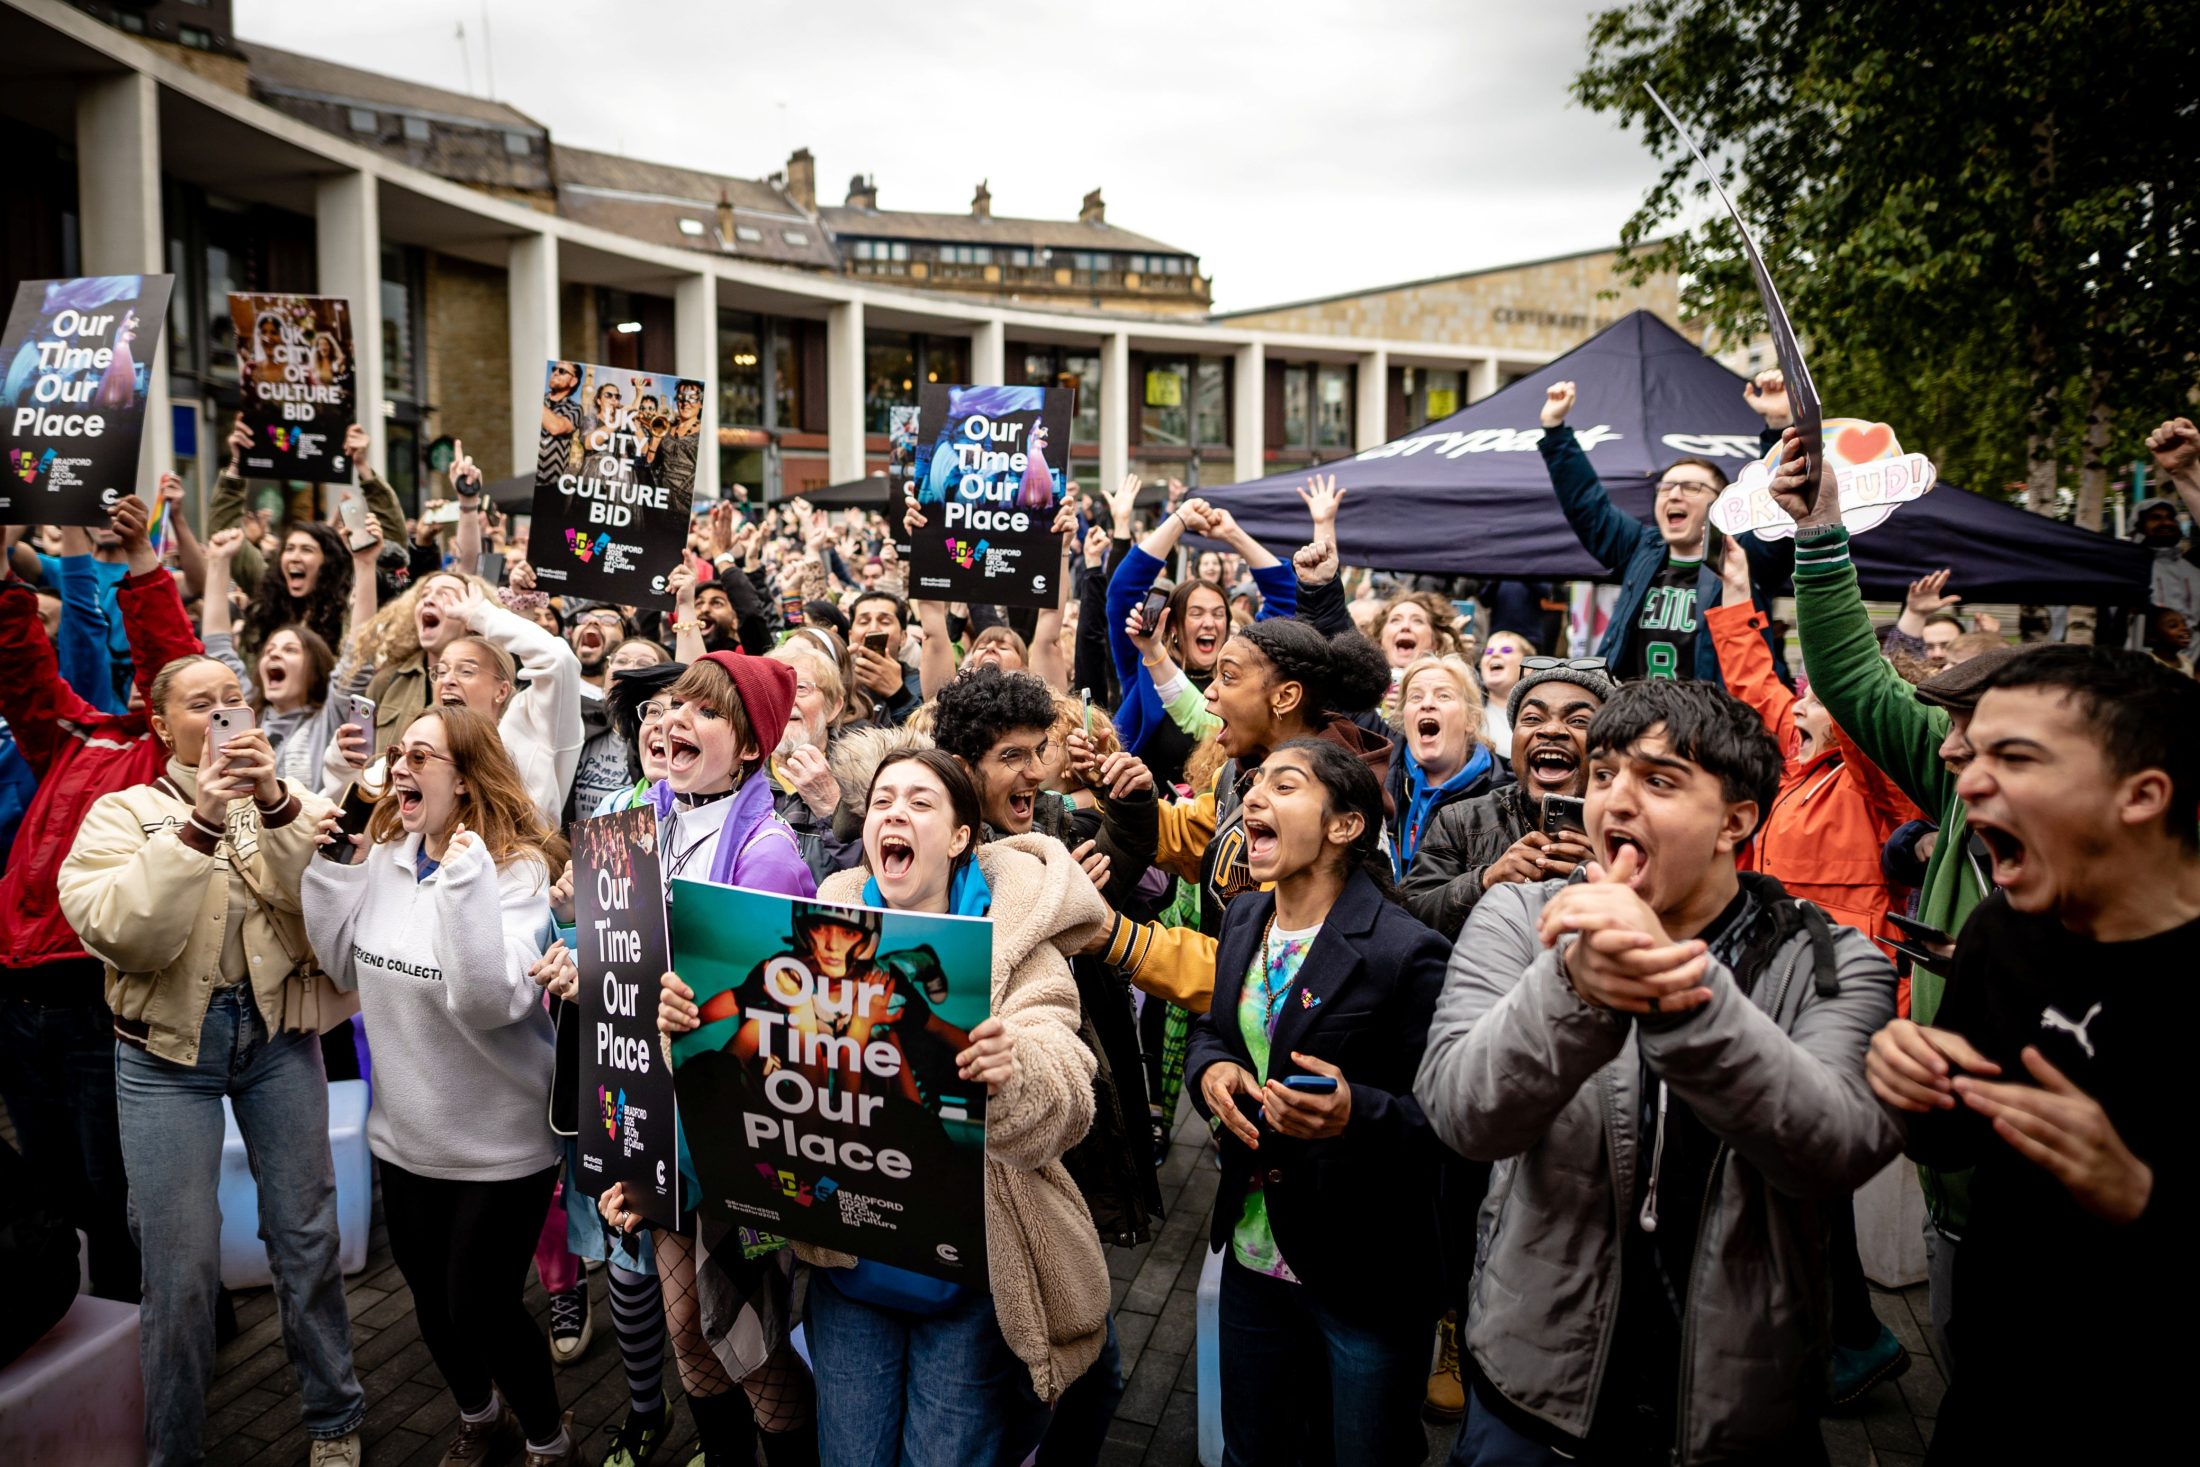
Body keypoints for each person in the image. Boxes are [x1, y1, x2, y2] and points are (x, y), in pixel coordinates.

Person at [1415, 679, 1903, 1465]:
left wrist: (1679, 1001)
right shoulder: (1520, 917)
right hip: (1532, 1392)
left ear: (1737, 818)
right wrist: (1572, 987)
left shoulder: (1831, 958)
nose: (1616, 800)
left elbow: (1835, 1147)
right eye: (1604, 773)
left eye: (1660, 780)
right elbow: (1462, 1113)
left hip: (1741, 1410)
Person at [1864, 645, 2196, 1464]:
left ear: (2142, 794)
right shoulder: (2005, 930)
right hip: (1999, 1394)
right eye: (1972, 754)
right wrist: (1917, 1086)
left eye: (2013, 758)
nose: (1967, 779)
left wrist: (2141, 1195)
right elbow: (1953, 1140)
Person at [736, 747, 1110, 1463]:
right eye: (881, 801)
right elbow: (747, 1065)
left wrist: (1014, 1071)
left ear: (961, 835)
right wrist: (690, 1029)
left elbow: (1068, 1093)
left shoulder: (1018, 939)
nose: (893, 814)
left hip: (968, 1285)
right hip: (852, 1271)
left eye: (919, 801)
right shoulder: (815, 931)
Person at [58, 648, 364, 1466]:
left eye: (235, 699)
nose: (225, 713)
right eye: (202, 703)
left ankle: (335, 1419)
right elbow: (127, 931)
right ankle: (175, 1450)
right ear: (162, 725)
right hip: (164, 1058)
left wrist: (269, 800)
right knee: (181, 1268)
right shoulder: (122, 813)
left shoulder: (284, 798)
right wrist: (196, 821)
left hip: (275, 1039)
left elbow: (317, 900)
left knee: (307, 1238)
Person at [1773, 429, 2023, 1366]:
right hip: (1954, 1200)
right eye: (1948, 727)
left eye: (1980, 729)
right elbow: (1853, 677)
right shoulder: (1956, 792)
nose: (1950, 748)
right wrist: (1821, 530)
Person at [300, 707, 575, 1465]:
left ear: (464, 775)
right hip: (407, 1133)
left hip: (502, 1139)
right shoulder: (385, 853)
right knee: (431, 1305)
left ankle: (551, 1444)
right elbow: (337, 963)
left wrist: (463, 884)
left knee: (479, 1304)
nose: (401, 766)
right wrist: (332, 866)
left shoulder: (516, 870)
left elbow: (488, 1003)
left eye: (423, 754)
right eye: (399, 752)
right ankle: (480, 1415)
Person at [1191, 739, 1451, 1467]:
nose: (1253, 797)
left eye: (1286, 783)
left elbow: (1454, 1120)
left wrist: (1356, 1113)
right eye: (1254, 783)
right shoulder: (1244, 917)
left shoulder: (1408, 951)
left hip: (1365, 1273)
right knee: (1253, 1453)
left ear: (1343, 826)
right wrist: (1211, 1073)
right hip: (1253, 1251)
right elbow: (1216, 1030)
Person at [596, 650, 822, 1467]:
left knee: (749, 1342)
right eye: (669, 707)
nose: (672, 721)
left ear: (753, 746)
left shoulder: (767, 853)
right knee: (684, 1325)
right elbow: (607, 945)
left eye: (704, 711)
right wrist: (571, 955)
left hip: (724, 1143)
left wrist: (703, 1009)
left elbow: (775, 1024)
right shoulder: (633, 817)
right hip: (655, 1123)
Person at [0, 500, 197, 1306]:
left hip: (95, 999)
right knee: (49, 1177)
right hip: (15, 995)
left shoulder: (163, 760)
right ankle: (83, 1323)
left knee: (112, 1182)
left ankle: (151, 1328)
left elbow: (176, 663)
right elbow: (17, 661)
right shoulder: (69, 735)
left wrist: (144, 562)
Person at [1091, 620, 1391, 1015]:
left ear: (1285, 697)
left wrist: (1121, 939)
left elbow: (1265, 972)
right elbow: (1194, 842)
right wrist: (1121, 788)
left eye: (1228, 677)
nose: (1210, 694)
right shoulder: (1240, 772)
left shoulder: (1326, 815)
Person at [1536, 373, 1793, 687]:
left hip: (1713, 727)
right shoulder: (1640, 548)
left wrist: (1779, 426)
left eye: (1691, 487)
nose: (1674, 494)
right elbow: (1587, 503)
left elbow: (1779, 506)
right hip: (1634, 724)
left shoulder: (1742, 557)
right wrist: (1555, 431)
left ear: (1723, 502)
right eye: (1666, 486)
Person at [1400, 660, 1614, 940]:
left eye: (1578, 721)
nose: (1551, 730)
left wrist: (1608, 882)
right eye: (1533, 718)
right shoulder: (1460, 821)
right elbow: (1406, 918)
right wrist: (1485, 881)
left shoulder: (1628, 827)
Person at [1106, 487, 1298, 788]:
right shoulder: (1145, 660)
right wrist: (1179, 519)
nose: (1209, 623)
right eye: (1196, 613)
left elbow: (1286, 596)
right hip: (1148, 819)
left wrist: (1233, 534)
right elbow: (1122, 590)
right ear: (1173, 627)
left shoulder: (1247, 672)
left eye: (1218, 614)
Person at [1387, 654, 1498, 879]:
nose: (1427, 704)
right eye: (1415, 697)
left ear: (1471, 720)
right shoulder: (1376, 779)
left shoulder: (1500, 797)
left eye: (1443, 695)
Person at [1477, 631, 1535, 765]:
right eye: (1488, 651)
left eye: (1506, 650)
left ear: (1528, 668)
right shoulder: (1469, 718)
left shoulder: (1543, 719)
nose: (1495, 655)